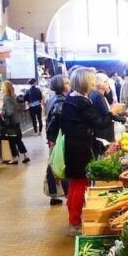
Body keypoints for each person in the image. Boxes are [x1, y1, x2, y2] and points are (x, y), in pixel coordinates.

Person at [61, 68, 124, 233]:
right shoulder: (82, 102)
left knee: (75, 183)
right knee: (80, 183)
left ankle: (73, 218)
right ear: (83, 82)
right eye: (91, 80)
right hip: (80, 148)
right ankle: (74, 222)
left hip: (73, 146)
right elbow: (100, 123)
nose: (94, 83)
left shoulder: (71, 99)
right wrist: (112, 112)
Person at [45, 75, 69, 205]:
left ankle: (54, 193)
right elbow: (56, 121)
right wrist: (54, 138)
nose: (69, 84)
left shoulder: (52, 98)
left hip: (52, 138)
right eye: (66, 82)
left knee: (52, 164)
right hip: (58, 138)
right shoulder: (61, 101)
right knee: (60, 164)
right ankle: (66, 192)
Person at [88, 76, 126, 143]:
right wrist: (124, 119)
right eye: (105, 81)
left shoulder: (95, 94)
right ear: (100, 84)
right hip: (104, 131)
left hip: (100, 130)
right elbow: (108, 114)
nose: (108, 83)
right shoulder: (99, 96)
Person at [0, 81, 30, 164]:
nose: (1, 88)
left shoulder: (6, 98)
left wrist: (2, 113)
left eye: (2, 87)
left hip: (10, 122)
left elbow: (9, 112)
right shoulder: (13, 97)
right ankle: (25, 155)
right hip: (16, 121)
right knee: (18, 139)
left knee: (12, 140)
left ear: (5, 88)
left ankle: (15, 157)